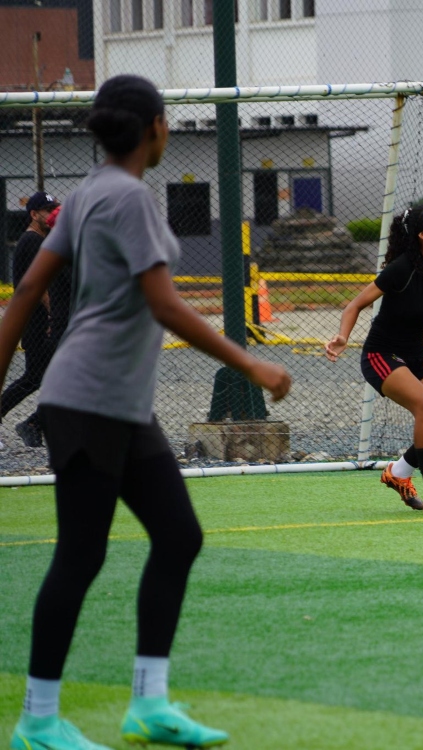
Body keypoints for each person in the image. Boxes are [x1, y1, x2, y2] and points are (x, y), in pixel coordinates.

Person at [1, 74, 292, 750]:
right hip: (90, 398)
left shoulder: (87, 196)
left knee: (178, 535)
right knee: (80, 555)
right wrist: (250, 363)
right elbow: (164, 303)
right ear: (156, 128)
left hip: (114, 404)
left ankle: (148, 704)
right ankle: (38, 720)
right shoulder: (128, 198)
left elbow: (26, 292)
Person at [325, 204, 423, 515]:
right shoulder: (401, 269)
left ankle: (399, 472)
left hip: (415, 356)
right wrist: (342, 337)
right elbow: (354, 306)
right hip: (381, 355)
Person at [0, 191, 61, 448]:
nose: (51, 214)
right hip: (37, 321)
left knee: (43, 376)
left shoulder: (37, 241)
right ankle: (32, 423)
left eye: (53, 209)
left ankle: (35, 424)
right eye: (46, 211)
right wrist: (53, 315)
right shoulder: (33, 242)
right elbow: (41, 287)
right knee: (36, 376)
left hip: (36, 320)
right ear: (34, 214)